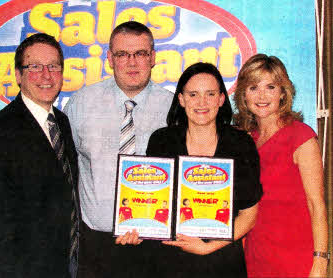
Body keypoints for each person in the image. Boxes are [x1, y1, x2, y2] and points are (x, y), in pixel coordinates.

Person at [64, 21, 173, 277]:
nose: (132, 62)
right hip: (96, 248)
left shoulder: (174, 107)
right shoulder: (81, 103)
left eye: (141, 54)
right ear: (110, 59)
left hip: (157, 247)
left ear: (153, 58)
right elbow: (64, 167)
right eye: (123, 54)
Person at [146, 62, 263, 277]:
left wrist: (208, 247)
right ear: (181, 99)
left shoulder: (240, 144)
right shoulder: (162, 141)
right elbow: (149, 203)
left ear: (221, 99)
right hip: (169, 263)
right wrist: (135, 228)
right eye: (193, 94)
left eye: (210, 94)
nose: (202, 102)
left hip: (222, 262)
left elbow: (249, 215)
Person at [0, 33, 80, 278]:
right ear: (18, 75)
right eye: (35, 67)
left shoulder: (62, 122)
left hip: (66, 264)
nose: (46, 76)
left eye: (53, 66)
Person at [233, 54, 329, 278]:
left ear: (283, 93)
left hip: (296, 259)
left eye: (271, 87)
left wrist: (320, 262)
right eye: (253, 87)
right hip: (255, 258)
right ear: (243, 95)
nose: (262, 95)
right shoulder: (244, 141)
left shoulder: (301, 137)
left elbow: (317, 205)